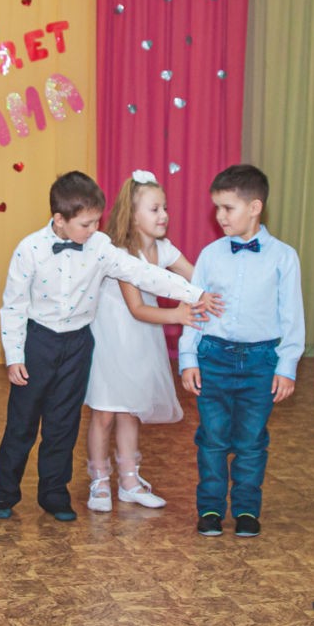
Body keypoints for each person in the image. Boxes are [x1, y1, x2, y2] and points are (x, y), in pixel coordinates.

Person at [0, 172, 214, 522]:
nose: (95, 229)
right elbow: (14, 306)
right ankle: (4, 493)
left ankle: (54, 494)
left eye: (97, 221)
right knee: (22, 422)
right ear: (59, 220)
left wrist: (195, 293)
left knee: (63, 423)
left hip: (78, 343)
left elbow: (143, 273)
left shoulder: (100, 246)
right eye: (86, 224)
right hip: (38, 341)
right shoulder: (29, 249)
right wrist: (14, 356)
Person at [179, 165, 303, 537]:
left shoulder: (283, 257)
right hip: (213, 357)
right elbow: (195, 309)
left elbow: (291, 315)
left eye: (228, 208)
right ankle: (211, 508)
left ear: (255, 207)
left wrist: (287, 365)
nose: (220, 216)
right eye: (217, 207)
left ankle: (247, 509)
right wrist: (188, 357)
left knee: (251, 440)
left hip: (261, 362)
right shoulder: (210, 255)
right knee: (212, 438)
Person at [84, 171, 197, 512]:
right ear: (133, 215)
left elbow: (196, 277)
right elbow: (136, 308)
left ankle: (130, 481)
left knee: (130, 410)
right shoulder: (120, 253)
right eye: (154, 209)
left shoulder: (164, 249)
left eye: (165, 208)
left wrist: (214, 293)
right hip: (111, 341)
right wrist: (178, 314)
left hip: (141, 342)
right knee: (104, 412)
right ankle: (99, 480)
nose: (164, 215)